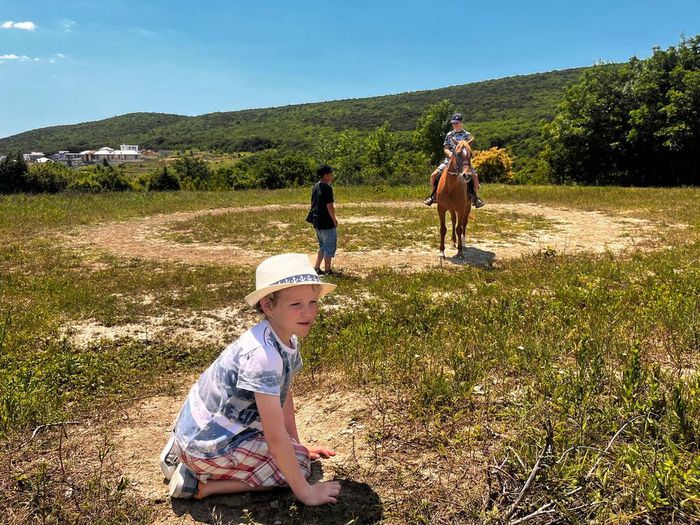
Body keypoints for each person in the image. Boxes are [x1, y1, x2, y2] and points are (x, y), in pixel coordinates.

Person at [159, 253, 341, 506]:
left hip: (201, 433)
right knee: (299, 469)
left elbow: (284, 393)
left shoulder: (280, 337)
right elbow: (275, 436)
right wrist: (306, 492)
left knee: (296, 456)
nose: (308, 312)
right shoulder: (264, 357)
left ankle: (185, 456)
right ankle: (201, 484)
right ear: (267, 305)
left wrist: (295, 445)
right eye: (295, 304)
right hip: (206, 446)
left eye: (313, 301)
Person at [423, 113, 484, 208]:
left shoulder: (467, 135)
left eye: (456, 123)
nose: (454, 124)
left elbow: (468, 150)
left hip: (464, 162)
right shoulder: (449, 134)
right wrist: (451, 154)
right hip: (450, 160)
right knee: (433, 175)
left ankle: (475, 198)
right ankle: (434, 196)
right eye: (453, 123)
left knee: (475, 176)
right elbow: (446, 148)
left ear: (461, 123)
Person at [308, 164, 338, 275]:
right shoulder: (327, 188)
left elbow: (312, 204)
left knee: (323, 246)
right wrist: (334, 220)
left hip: (317, 220)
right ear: (325, 175)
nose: (332, 176)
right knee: (329, 246)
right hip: (326, 222)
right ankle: (327, 270)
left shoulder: (315, 186)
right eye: (330, 174)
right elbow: (329, 206)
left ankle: (316, 267)